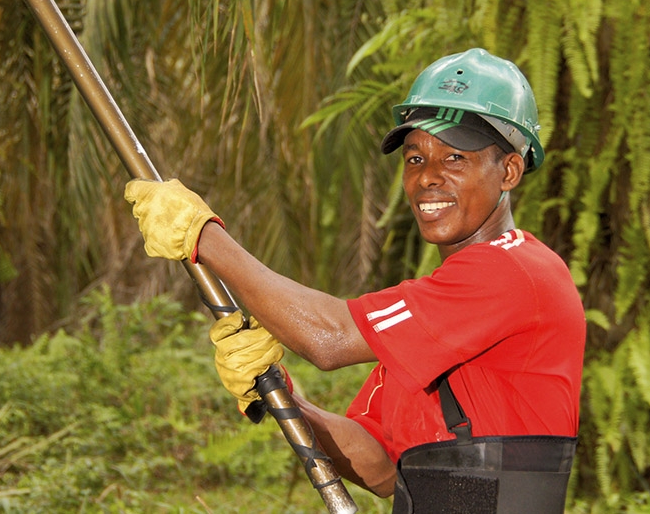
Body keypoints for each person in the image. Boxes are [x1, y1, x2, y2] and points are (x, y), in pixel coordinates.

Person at [124, 48, 586, 513]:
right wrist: (279, 393)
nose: (428, 177)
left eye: (454, 158)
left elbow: (331, 338)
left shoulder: (517, 271)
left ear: (509, 171)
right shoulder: (432, 315)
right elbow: (380, 466)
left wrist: (203, 235)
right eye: (415, 158)